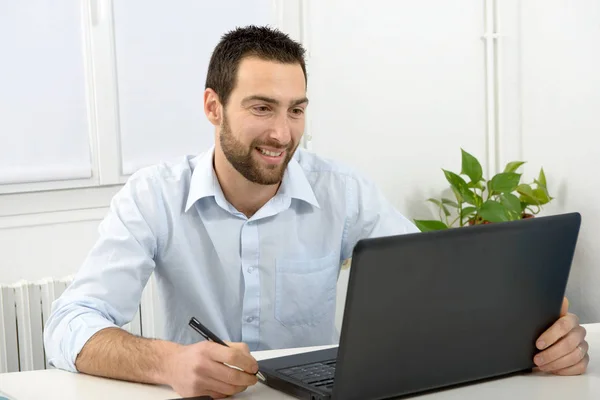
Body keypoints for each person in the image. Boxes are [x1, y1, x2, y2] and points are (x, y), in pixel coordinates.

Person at [44, 26, 589, 398]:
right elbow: (69, 325)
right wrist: (170, 363)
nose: (282, 133)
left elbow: (440, 289)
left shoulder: (343, 191)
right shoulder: (152, 197)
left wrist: (544, 332)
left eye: (296, 110)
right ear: (213, 107)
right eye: (261, 108)